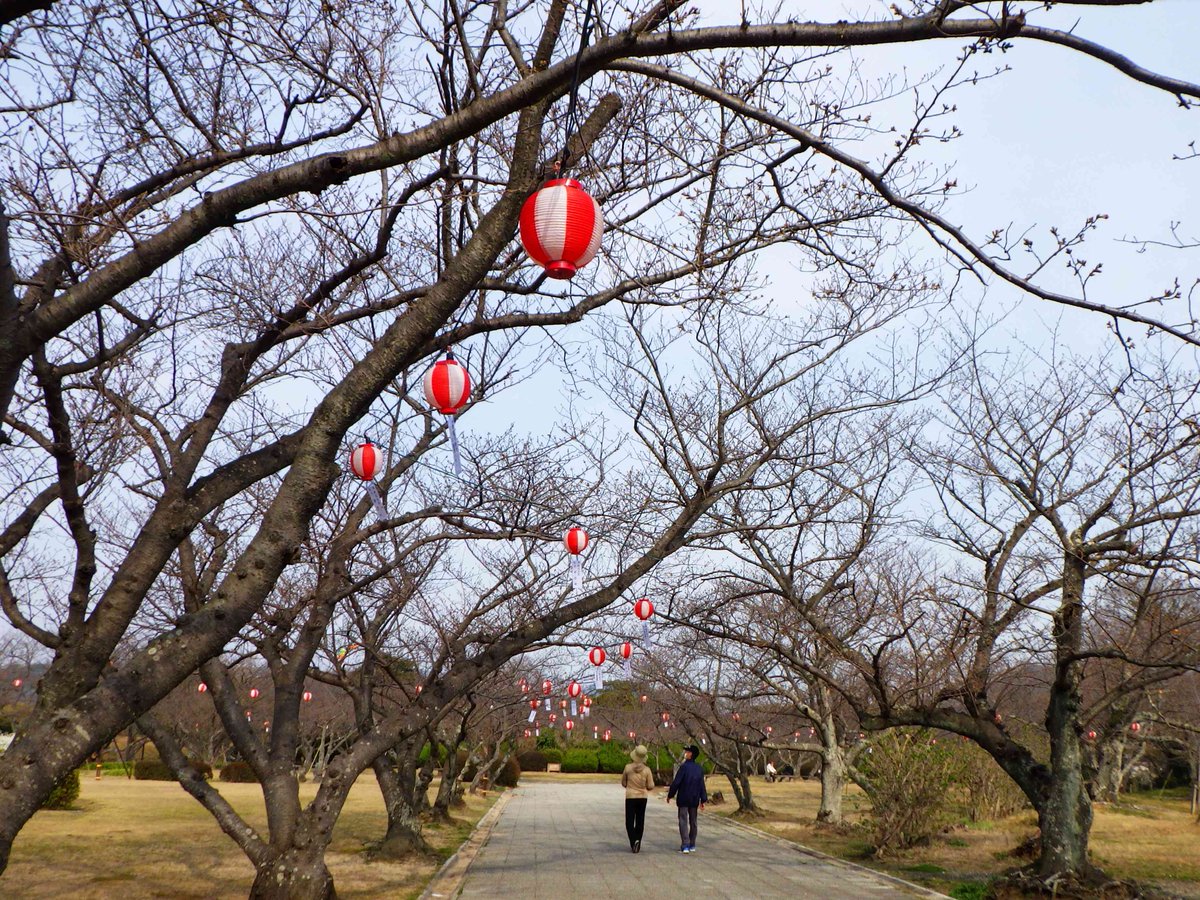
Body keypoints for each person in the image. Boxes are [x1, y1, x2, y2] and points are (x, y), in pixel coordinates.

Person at [666, 744, 707, 853]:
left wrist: (670, 795)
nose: (686, 753)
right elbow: (702, 785)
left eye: (687, 752)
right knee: (693, 821)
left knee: (683, 821)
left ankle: (685, 844)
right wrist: (703, 799)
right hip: (694, 799)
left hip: (683, 798)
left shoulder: (683, 767)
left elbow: (676, 783)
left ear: (691, 754)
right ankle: (692, 844)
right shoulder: (699, 768)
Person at [621, 744, 655, 853]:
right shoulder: (647, 770)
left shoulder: (627, 768)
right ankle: (638, 840)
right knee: (640, 820)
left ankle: (633, 841)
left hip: (630, 796)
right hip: (642, 797)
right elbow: (650, 786)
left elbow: (623, 782)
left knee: (629, 821)